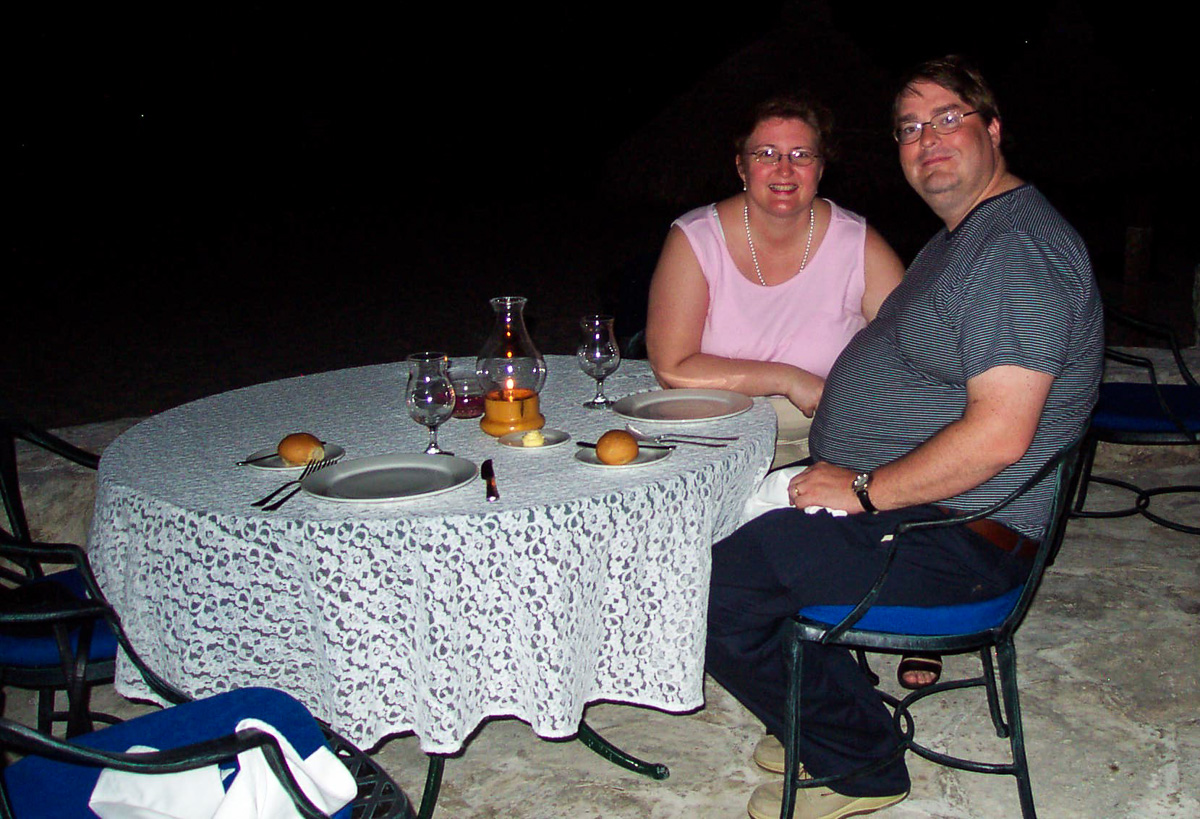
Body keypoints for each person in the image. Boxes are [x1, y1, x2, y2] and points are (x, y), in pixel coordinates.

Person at [705, 55, 1104, 819]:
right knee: (724, 520)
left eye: (948, 118)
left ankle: (864, 763)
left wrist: (861, 489)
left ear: (993, 129)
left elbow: (999, 435)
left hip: (962, 540)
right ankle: (827, 715)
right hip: (924, 514)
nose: (927, 140)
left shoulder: (1015, 252)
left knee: (717, 585)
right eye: (910, 129)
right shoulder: (966, 237)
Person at [645, 94, 905, 468]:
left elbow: (911, 357)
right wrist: (788, 380)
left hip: (826, 450)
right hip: (709, 448)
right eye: (766, 154)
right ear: (741, 167)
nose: (785, 170)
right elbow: (672, 368)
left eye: (802, 155)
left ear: (820, 168)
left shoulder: (859, 244)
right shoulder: (695, 238)